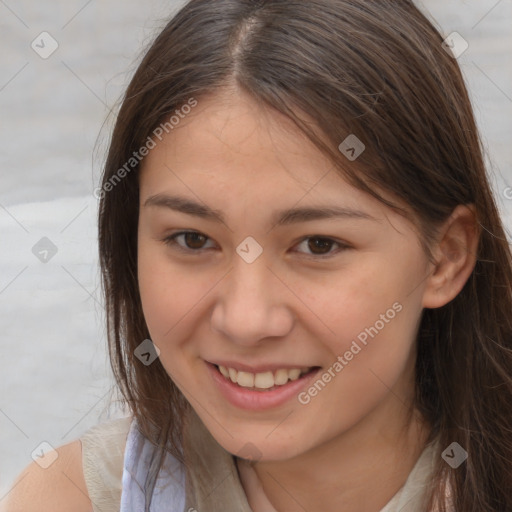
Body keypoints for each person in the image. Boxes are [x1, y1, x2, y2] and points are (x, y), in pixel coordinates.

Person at [5, 0, 512, 510]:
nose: (245, 321)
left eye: (318, 245)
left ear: (445, 258)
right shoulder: (69, 497)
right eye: (192, 239)